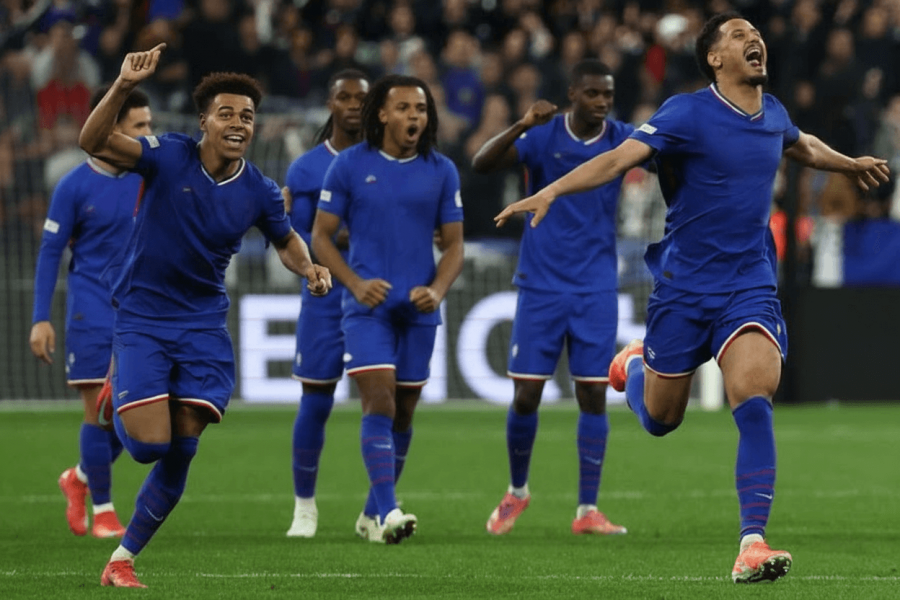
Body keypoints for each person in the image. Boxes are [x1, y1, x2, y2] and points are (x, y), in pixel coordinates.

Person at [495, 13, 889, 584]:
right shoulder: (685, 112)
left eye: (755, 31)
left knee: (755, 397)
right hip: (683, 290)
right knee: (661, 420)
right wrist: (550, 190)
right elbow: (618, 158)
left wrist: (848, 164)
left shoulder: (771, 111)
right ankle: (633, 368)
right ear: (713, 58)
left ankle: (751, 543)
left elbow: (799, 144)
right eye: (737, 34)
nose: (753, 38)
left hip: (749, 284)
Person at [79, 44, 331, 588]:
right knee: (148, 445)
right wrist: (122, 85)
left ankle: (122, 559)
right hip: (143, 316)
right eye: (226, 113)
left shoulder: (260, 190)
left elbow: (285, 241)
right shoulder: (168, 155)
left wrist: (309, 268)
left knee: (183, 444)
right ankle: (118, 381)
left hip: (201, 325)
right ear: (204, 122)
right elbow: (92, 142)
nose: (238, 123)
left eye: (246, 115)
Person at [471, 60, 629, 537]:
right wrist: (521, 123)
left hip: (596, 286)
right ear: (573, 93)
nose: (602, 102)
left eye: (608, 94)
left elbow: (670, 155)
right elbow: (481, 163)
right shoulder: (542, 137)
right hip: (541, 284)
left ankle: (588, 510)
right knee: (526, 394)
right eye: (594, 94)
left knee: (593, 394)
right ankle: (517, 491)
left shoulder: (622, 137)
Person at [312, 74, 464, 544]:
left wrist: (437, 290)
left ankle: (369, 512)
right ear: (381, 114)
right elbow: (320, 236)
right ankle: (389, 512)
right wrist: (354, 284)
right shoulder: (350, 167)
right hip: (368, 309)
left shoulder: (441, 170)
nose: (413, 116)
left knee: (404, 413)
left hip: (419, 309)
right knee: (379, 400)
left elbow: (456, 246)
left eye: (419, 109)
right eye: (403, 108)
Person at [30, 85, 152, 540]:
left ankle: (79, 477)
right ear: (112, 128)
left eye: (149, 125)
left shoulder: (148, 179)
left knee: (136, 414)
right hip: (92, 311)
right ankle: (103, 509)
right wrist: (40, 318)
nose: (147, 134)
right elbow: (49, 253)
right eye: (139, 126)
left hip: (141, 316)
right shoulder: (75, 185)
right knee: (96, 412)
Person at [284, 68, 369, 538]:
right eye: (345, 96)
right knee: (316, 400)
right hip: (326, 297)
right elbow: (302, 242)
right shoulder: (305, 169)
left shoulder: (392, 159)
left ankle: (377, 505)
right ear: (331, 104)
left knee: (386, 401)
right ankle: (304, 506)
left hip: (377, 297)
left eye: (363, 97)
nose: (355, 104)